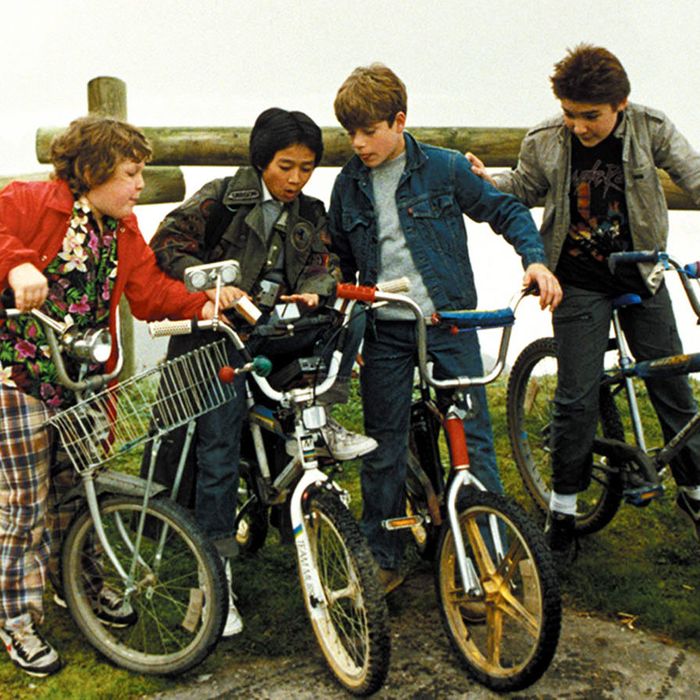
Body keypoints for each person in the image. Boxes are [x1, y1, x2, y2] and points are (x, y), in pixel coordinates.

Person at [328, 63, 562, 593]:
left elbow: (505, 209)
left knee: (473, 440)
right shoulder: (349, 184)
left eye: (369, 131)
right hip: (385, 330)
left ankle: (490, 558)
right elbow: (341, 259)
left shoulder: (444, 168)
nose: (359, 143)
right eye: (351, 133)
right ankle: (385, 557)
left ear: (399, 120)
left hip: (450, 325)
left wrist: (535, 260)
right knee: (381, 447)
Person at [148, 107, 376, 636]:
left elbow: (329, 266)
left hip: (281, 337)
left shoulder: (311, 213)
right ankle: (212, 582)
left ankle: (313, 446)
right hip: (215, 341)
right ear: (261, 160)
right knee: (217, 452)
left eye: (306, 168)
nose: (296, 179)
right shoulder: (223, 197)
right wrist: (207, 287)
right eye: (285, 166)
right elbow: (166, 244)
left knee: (345, 335)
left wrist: (315, 291)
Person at [0, 116, 215, 677]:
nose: (140, 185)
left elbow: (147, 293)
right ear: (94, 170)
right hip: (15, 378)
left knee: (79, 490)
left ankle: (81, 587)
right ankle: (17, 620)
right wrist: (18, 263)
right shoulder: (32, 200)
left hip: (82, 381)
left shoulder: (121, 228)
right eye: (131, 173)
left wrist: (206, 305)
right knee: (25, 505)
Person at [467, 44, 700, 558]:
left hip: (641, 270)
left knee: (672, 385)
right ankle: (563, 510)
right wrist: (486, 182)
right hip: (577, 279)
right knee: (577, 397)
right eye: (571, 114)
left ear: (621, 104)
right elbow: (524, 187)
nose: (579, 126)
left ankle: (694, 494)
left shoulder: (650, 128)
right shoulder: (547, 139)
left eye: (590, 116)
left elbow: (694, 174)